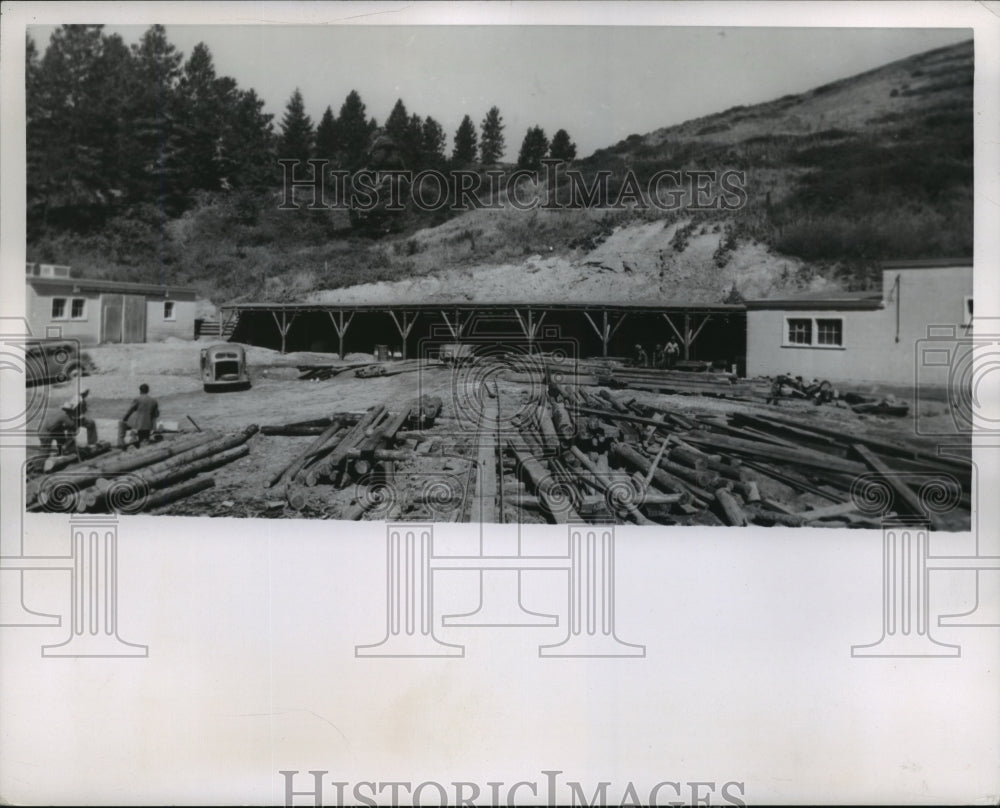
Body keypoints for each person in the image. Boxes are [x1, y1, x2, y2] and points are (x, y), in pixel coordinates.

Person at [118, 384, 159, 449]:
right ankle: (142, 443)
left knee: (121, 424)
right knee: (144, 438)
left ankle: (121, 444)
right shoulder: (154, 401)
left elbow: (130, 410)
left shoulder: (137, 399)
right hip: (148, 425)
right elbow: (156, 415)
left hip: (138, 424)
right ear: (148, 390)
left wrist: (124, 418)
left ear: (140, 391)